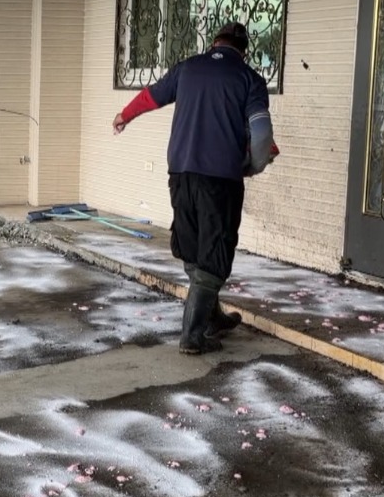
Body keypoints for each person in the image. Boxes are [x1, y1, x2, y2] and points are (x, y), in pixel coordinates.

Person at [113, 22, 277, 354]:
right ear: (243, 50)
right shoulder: (249, 79)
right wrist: (253, 166)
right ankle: (192, 334)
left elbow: (151, 96)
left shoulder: (187, 69)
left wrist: (124, 116)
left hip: (181, 174)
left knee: (192, 245)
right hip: (220, 180)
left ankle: (212, 317)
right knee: (215, 253)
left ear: (215, 42)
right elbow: (261, 137)